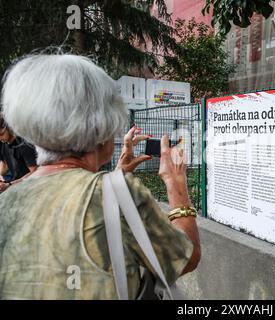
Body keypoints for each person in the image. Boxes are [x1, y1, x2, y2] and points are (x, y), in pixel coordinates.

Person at [0, 54, 200, 299]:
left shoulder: (7, 201)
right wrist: (175, 182)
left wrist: (116, 176)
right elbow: (185, 259)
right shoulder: (117, 194)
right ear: (102, 127)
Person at [0, 115, 37, 192]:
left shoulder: (24, 145)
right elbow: (5, 165)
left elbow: (35, 172)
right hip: (15, 186)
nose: (0, 138)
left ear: (9, 127)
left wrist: (9, 185)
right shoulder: (4, 143)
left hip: (29, 187)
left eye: (1, 134)